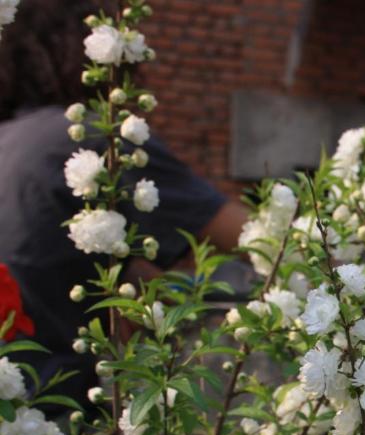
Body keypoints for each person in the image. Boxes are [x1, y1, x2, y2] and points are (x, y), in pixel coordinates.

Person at [0, 0, 248, 411]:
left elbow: (48, 262)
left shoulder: (10, 143)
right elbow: (253, 236)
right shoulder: (94, 141)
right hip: (55, 426)